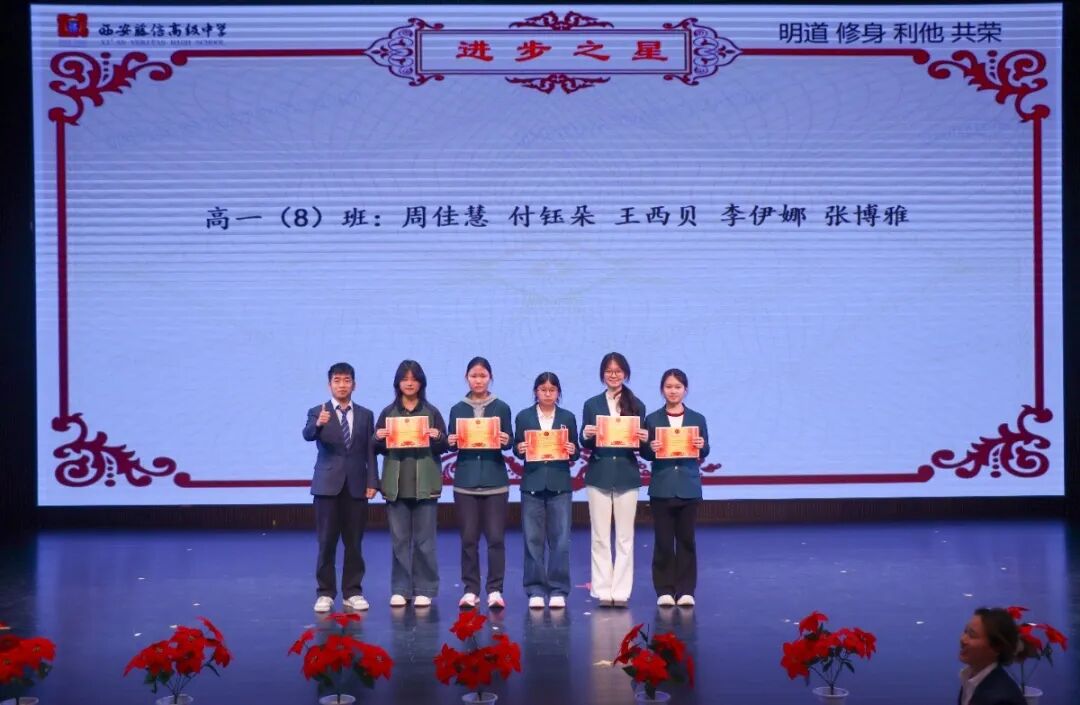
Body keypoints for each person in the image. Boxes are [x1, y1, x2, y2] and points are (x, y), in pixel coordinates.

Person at [302, 362, 378, 613]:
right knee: (326, 542)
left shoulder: (366, 414)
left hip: (357, 485)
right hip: (327, 486)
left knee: (354, 542)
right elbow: (307, 435)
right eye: (337, 381)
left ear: (354, 385)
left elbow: (370, 451)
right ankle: (325, 593)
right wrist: (318, 424)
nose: (342, 385)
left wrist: (372, 482)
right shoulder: (318, 411)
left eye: (347, 381)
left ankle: (352, 592)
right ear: (329, 385)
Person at [373, 360, 448, 608]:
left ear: (421, 383)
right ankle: (401, 589)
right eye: (404, 379)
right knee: (399, 541)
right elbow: (375, 446)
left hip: (425, 485)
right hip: (396, 486)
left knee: (425, 541)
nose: (409, 383)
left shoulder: (431, 412)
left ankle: (424, 589)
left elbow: (445, 445)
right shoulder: (388, 413)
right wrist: (378, 437)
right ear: (397, 383)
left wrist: (438, 437)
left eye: (414, 379)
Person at [580, 352, 648, 606]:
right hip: (599, 474)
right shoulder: (591, 404)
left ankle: (620, 591)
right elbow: (585, 443)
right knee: (599, 536)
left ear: (625, 374)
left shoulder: (637, 404)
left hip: (627, 475)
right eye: (609, 371)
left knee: (624, 537)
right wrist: (586, 434)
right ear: (602, 374)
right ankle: (602, 590)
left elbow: (643, 448)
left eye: (618, 371)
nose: (613, 375)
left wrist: (644, 439)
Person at [447, 356, 514, 609]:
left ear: (490, 378)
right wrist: (450, 441)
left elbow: (510, 441)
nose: (478, 380)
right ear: (467, 378)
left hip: (495, 481)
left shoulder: (502, 407)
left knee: (496, 539)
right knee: (468, 539)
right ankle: (471, 589)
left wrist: (506, 440)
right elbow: (451, 442)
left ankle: (495, 590)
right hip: (465, 482)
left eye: (483, 376)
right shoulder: (457, 409)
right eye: (474, 376)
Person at [642, 369, 709, 608]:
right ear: (662, 390)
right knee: (663, 541)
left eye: (678, 387)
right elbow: (645, 452)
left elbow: (705, 449)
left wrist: (701, 445)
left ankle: (686, 590)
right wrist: (650, 447)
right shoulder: (652, 419)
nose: (673, 391)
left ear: (685, 390)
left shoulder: (697, 418)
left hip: (688, 487)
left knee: (686, 540)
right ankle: (664, 590)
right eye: (669, 387)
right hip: (662, 487)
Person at [513, 372, 580, 609]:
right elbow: (516, 447)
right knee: (533, 540)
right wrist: (520, 448)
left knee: (560, 540)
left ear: (558, 392)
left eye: (552, 390)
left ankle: (559, 589)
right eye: (543, 390)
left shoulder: (567, 417)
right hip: (532, 484)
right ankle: (535, 589)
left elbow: (575, 452)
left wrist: (572, 449)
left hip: (560, 484)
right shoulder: (524, 416)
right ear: (536, 392)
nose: (548, 394)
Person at [958, 607, 1026, 705]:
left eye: (972, 635)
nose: (962, 639)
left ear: (996, 647)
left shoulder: (1004, 699)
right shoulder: (969, 679)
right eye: (965, 631)